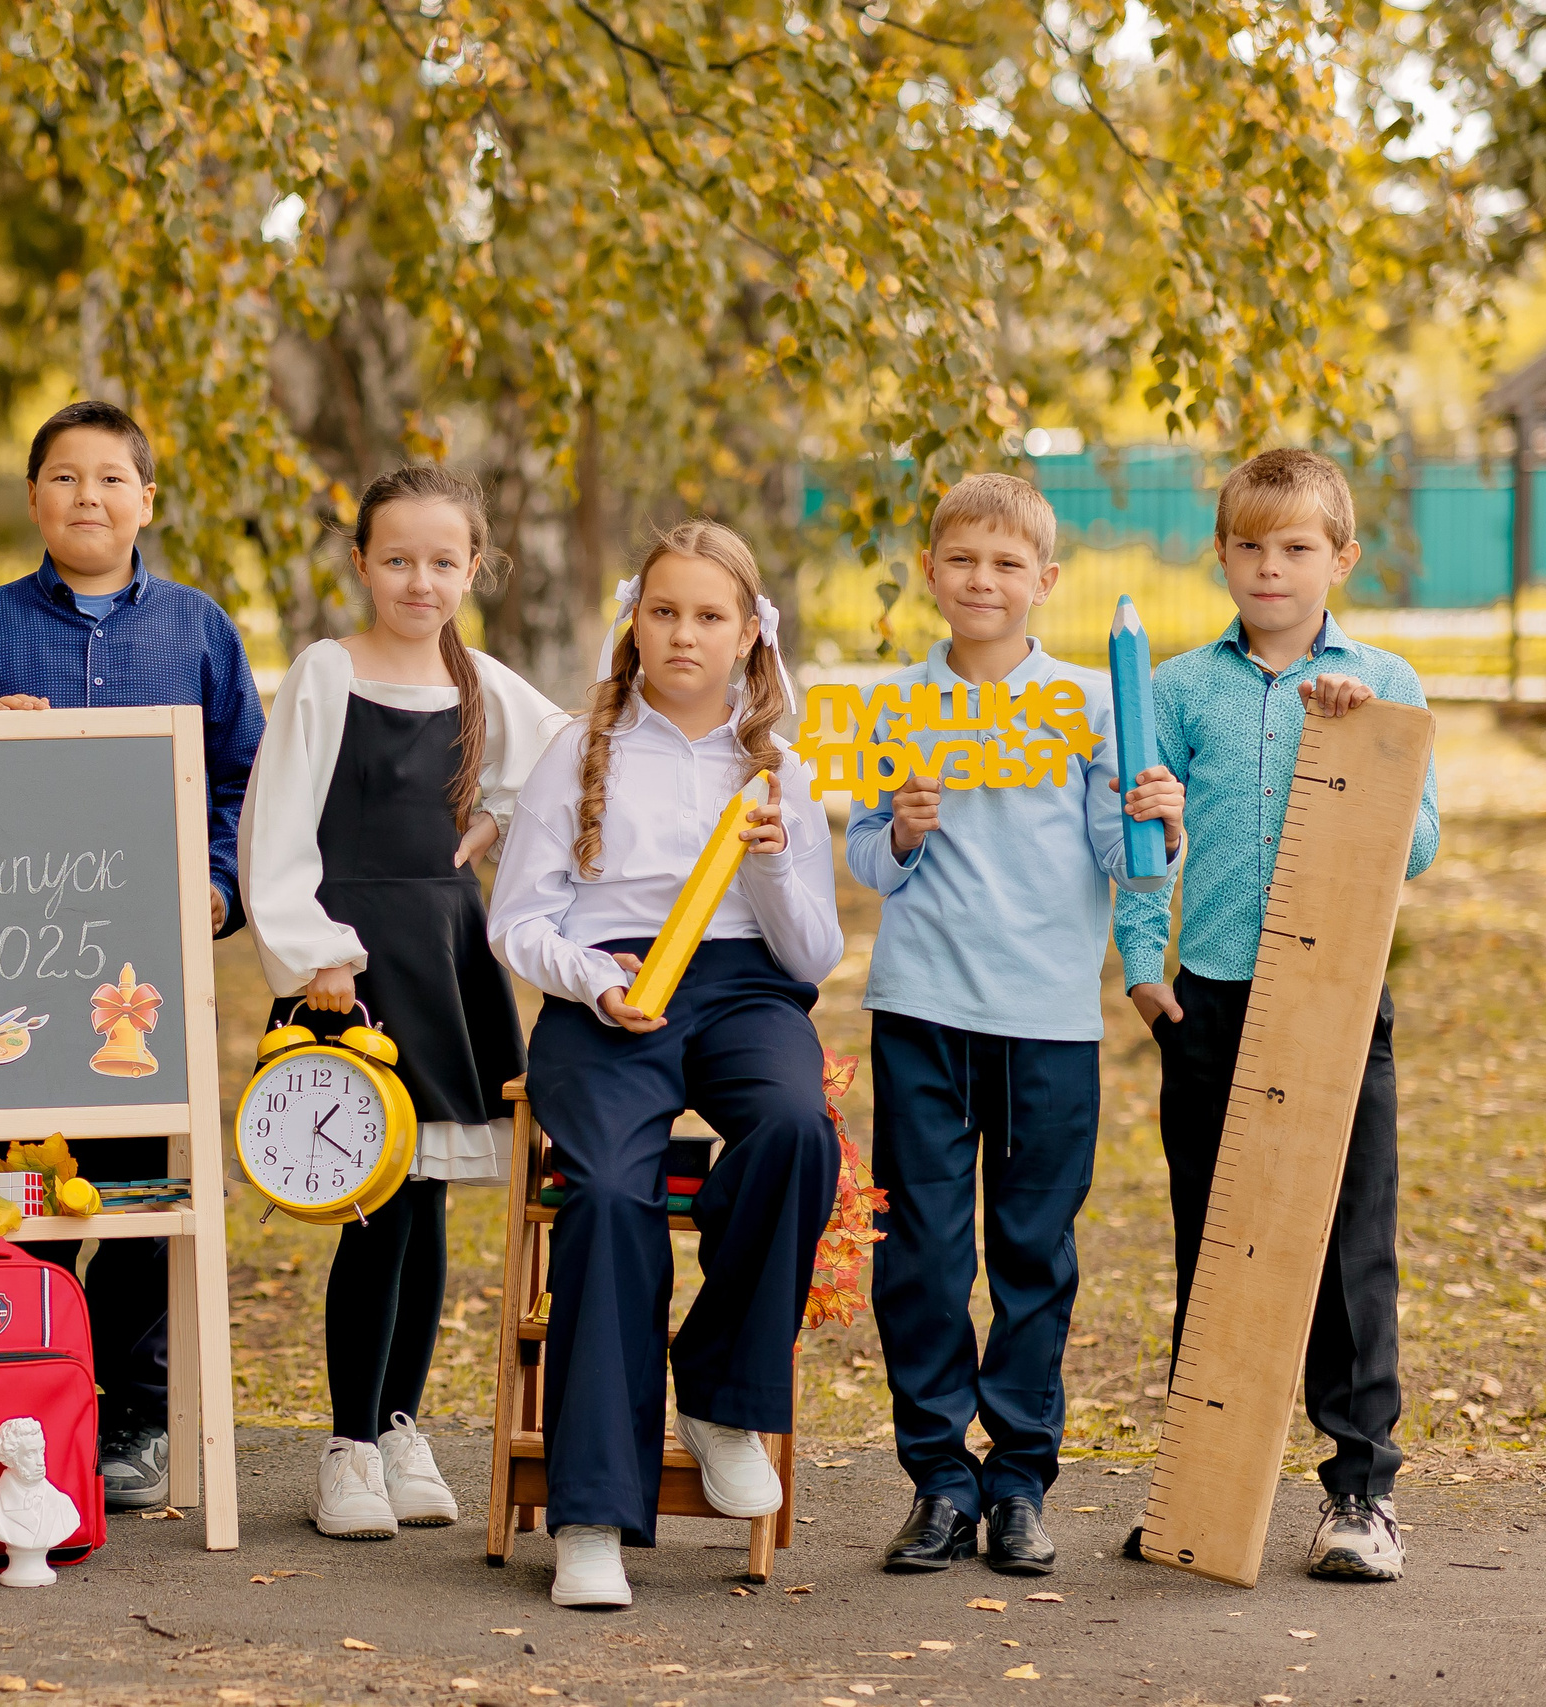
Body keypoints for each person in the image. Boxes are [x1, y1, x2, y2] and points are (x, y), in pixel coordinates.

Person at [488, 520, 844, 1611]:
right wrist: (593, 978)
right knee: (600, 1187)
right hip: (609, 989)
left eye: (707, 616)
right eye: (662, 612)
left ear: (748, 637)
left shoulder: (777, 765)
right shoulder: (577, 749)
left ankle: (723, 1392)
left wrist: (779, 867)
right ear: (632, 624)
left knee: (794, 1128)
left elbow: (814, 955)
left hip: (743, 987)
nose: (682, 635)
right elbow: (516, 920)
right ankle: (591, 1513)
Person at [843, 474, 1183, 1577]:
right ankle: (940, 1481)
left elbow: (1117, 857)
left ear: (1043, 581)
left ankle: (1020, 1482)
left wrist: (1157, 829)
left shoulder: (1090, 704)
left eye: (1004, 565)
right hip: (921, 1014)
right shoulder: (894, 706)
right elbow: (860, 860)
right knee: (925, 1260)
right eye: (960, 561)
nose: (980, 581)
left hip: (1045, 1022)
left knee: (1034, 1255)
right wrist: (895, 832)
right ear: (931, 572)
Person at [0, 399, 265, 1509]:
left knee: (135, 1184)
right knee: (9, 1185)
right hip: (10, 963)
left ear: (146, 502)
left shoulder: (201, 631)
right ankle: (15, 1395)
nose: (88, 497)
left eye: (111, 478)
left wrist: (218, 885)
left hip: (141, 969)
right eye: (64, 478)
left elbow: (238, 780)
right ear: (33, 499)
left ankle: (132, 1413)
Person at [1114, 448, 1439, 1584]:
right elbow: (1135, 846)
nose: (1269, 566)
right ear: (1221, 556)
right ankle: (1205, 1480)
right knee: (1216, 1239)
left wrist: (1355, 735)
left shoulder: (1383, 679)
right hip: (1209, 996)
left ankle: (1359, 1490)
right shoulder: (1173, 688)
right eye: (1248, 545)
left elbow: (1421, 843)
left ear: (1338, 560)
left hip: (1338, 999)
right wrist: (1143, 966)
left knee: (1348, 1247)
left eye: (1296, 546)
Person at [238, 464, 565, 1540]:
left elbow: (571, 763)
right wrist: (314, 950)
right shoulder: (328, 674)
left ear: (474, 567)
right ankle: (344, 1445)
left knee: (423, 1207)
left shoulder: (483, 684)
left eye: (441, 561)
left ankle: (397, 1425)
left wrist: (505, 823)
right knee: (370, 1205)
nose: (418, 581)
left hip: (446, 956)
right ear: (360, 563)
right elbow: (275, 820)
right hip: (355, 968)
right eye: (396, 560)